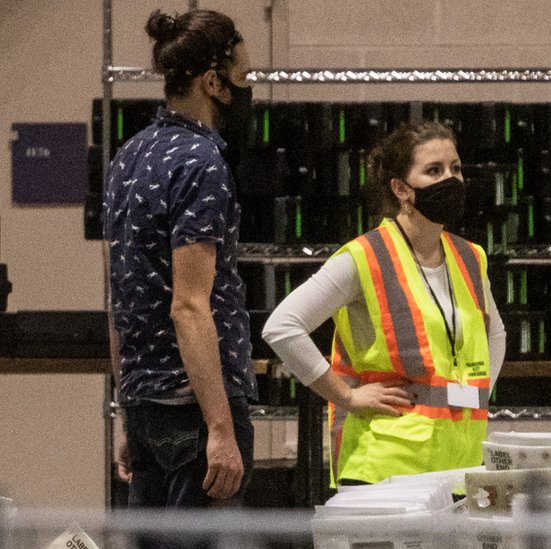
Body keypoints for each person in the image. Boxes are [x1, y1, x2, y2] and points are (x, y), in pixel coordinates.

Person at [262, 121, 507, 486]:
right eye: (433, 171)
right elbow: (281, 327)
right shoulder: (365, 257)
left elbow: (496, 333)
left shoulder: (470, 257)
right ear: (401, 188)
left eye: (455, 169)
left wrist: (477, 394)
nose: (450, 180)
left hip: (460, 467)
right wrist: (347, 396)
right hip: (384, 469)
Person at [103, 7, 257, 534]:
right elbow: (190, 304)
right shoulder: (202, 163)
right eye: (242, 78)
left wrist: (131, 408)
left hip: (146, 401)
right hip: (195, 406)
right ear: (212, 82)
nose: (246, 90)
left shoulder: (128, 156)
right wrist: (220, 427)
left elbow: (119, 299)